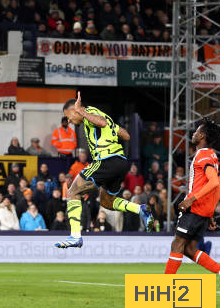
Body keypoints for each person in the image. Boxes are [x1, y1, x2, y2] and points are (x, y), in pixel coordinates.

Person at [55, 92, 154, 248]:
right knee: (107, 202)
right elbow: (126, 135)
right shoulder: (102, 116)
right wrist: (111, 129)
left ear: (75, 110)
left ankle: (75, 236)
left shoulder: (90, 113)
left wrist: (81, 111)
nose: (69, 120)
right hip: (121, 163)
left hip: (106, 160)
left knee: (72, 192)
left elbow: (101, 123)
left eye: (69, 116)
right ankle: (140, 209)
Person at [164, 118, 220, 296]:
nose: (193, 133)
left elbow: (214, 182)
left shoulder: (203, 155)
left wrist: (191, 199)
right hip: (202, 210)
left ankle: (164, 288)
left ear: (202, 135)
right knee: (189, 249)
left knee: (177, 244)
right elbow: (217, 187)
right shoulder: (211, 155)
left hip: (194, 209)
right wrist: (210, 213)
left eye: (196, 131)